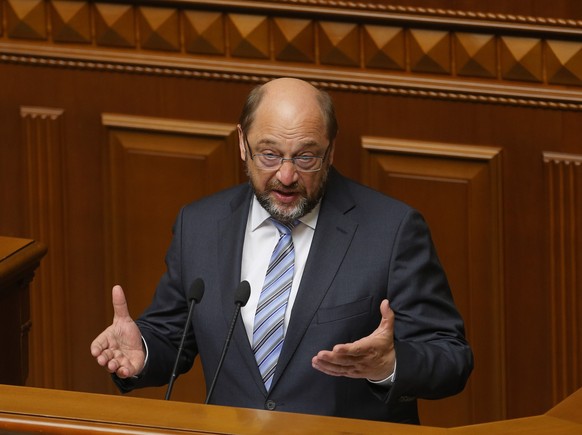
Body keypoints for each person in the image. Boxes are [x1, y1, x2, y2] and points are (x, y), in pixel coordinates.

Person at [90, 77, 473, 424]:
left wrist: (390, 364)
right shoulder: (200, 224)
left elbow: (452, 357)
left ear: (331, 150)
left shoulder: (391, 230)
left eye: (306, 157)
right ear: (242, 143)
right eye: (269, 155)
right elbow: (173, 335)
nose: (286, 176)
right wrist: (142, 351)